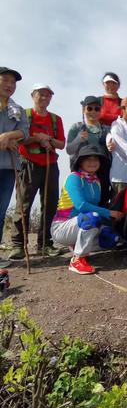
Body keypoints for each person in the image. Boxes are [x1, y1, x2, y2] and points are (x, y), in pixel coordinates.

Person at [10, 83, 65, 260]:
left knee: (50, 204)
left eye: (48, 95)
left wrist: (48, 139)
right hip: (28, 163)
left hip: (50, 164)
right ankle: (18, 244)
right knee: (23, 204)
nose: (44, 98)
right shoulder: (24, 115)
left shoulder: (56, 119)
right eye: (41, 94)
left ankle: (44, 243)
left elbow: (61, 144)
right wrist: (37, 138)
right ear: (33, 95)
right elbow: (17, 139)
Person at [51, 145, 123, 274]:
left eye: (96, 159)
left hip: (79, 224)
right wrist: (109, 213)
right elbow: (81, 206)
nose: (93, 162)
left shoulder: (96, 181)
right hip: (61, 227)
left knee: (111, 238)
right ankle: (77, 260)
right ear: (80, 161)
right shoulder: (74, 178)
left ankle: (76, 245)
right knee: (92, 217)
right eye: (88, 159)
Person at [0, 67, 29, 267]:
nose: (10, 85)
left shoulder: (17, 109)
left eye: (13, 82)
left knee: (0, 211)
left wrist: (8, 136)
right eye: (5, 80)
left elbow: (25, 132)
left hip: (8, 167)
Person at [66, 96, 112, 206]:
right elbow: (69, 150)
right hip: (82, 172)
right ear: (83, 110)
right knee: (82, 200)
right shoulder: (76, 127)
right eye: (89, 108)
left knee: (102, 199)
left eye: (97, 109)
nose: (93, 112)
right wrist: (78, 139)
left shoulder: (107, 129)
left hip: (102, 171)